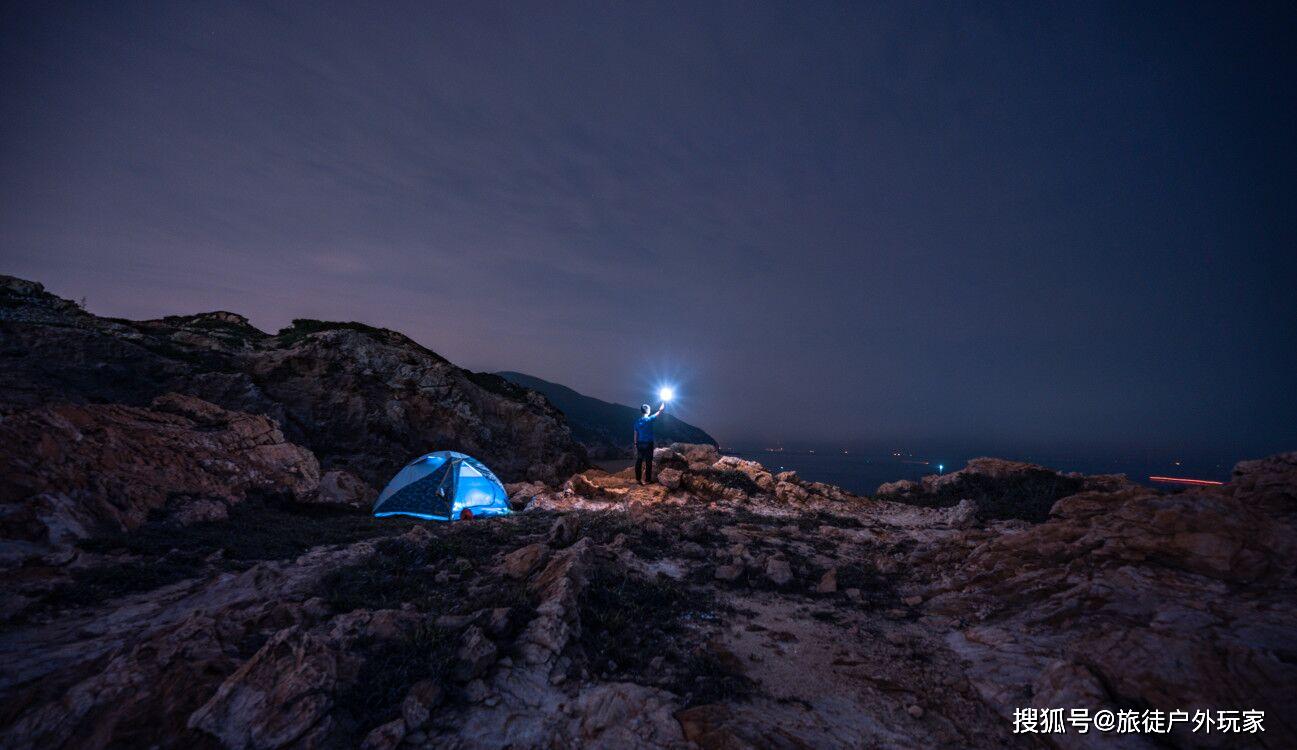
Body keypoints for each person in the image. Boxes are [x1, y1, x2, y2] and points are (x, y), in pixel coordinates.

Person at [633, 401, 665, 484]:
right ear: (648, 411)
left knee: (639, 461)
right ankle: (647, 480)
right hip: (648, 444)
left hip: (640, 443)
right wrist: (662, 407)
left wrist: (635, 443)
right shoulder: (649, 419)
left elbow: (635, 433)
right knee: (648, 462)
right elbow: (660, 412)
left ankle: (638, 480)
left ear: (641, 411)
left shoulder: (637, 422)